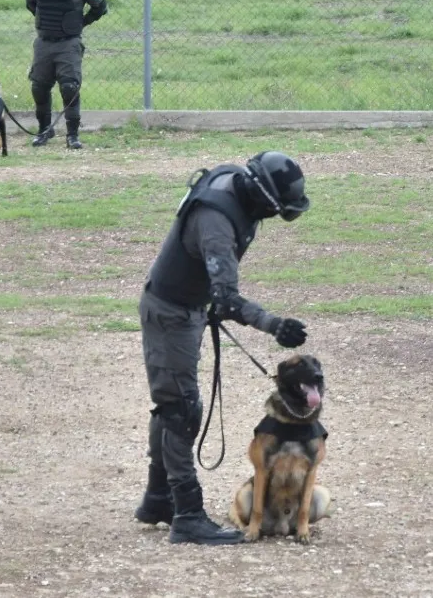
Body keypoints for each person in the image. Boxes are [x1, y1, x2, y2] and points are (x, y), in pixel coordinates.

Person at [134, 151, 312, 545]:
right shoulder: (216, 222)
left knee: (171, 405)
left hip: (183, 307)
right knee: (180, 410)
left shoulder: (232, 180)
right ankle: (187, 515)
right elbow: (228, 300)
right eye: (275, 211)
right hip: (171, 313)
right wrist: (273, 325)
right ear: (263, 198)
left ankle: (157, 499)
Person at [25, 0, 108, 150]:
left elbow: (100, 5)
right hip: (44, 42)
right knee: (39, 87)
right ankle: (44, 129)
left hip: (68, 43)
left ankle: (72, 135)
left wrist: (81, 22)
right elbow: (31, 3)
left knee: (69, 87)